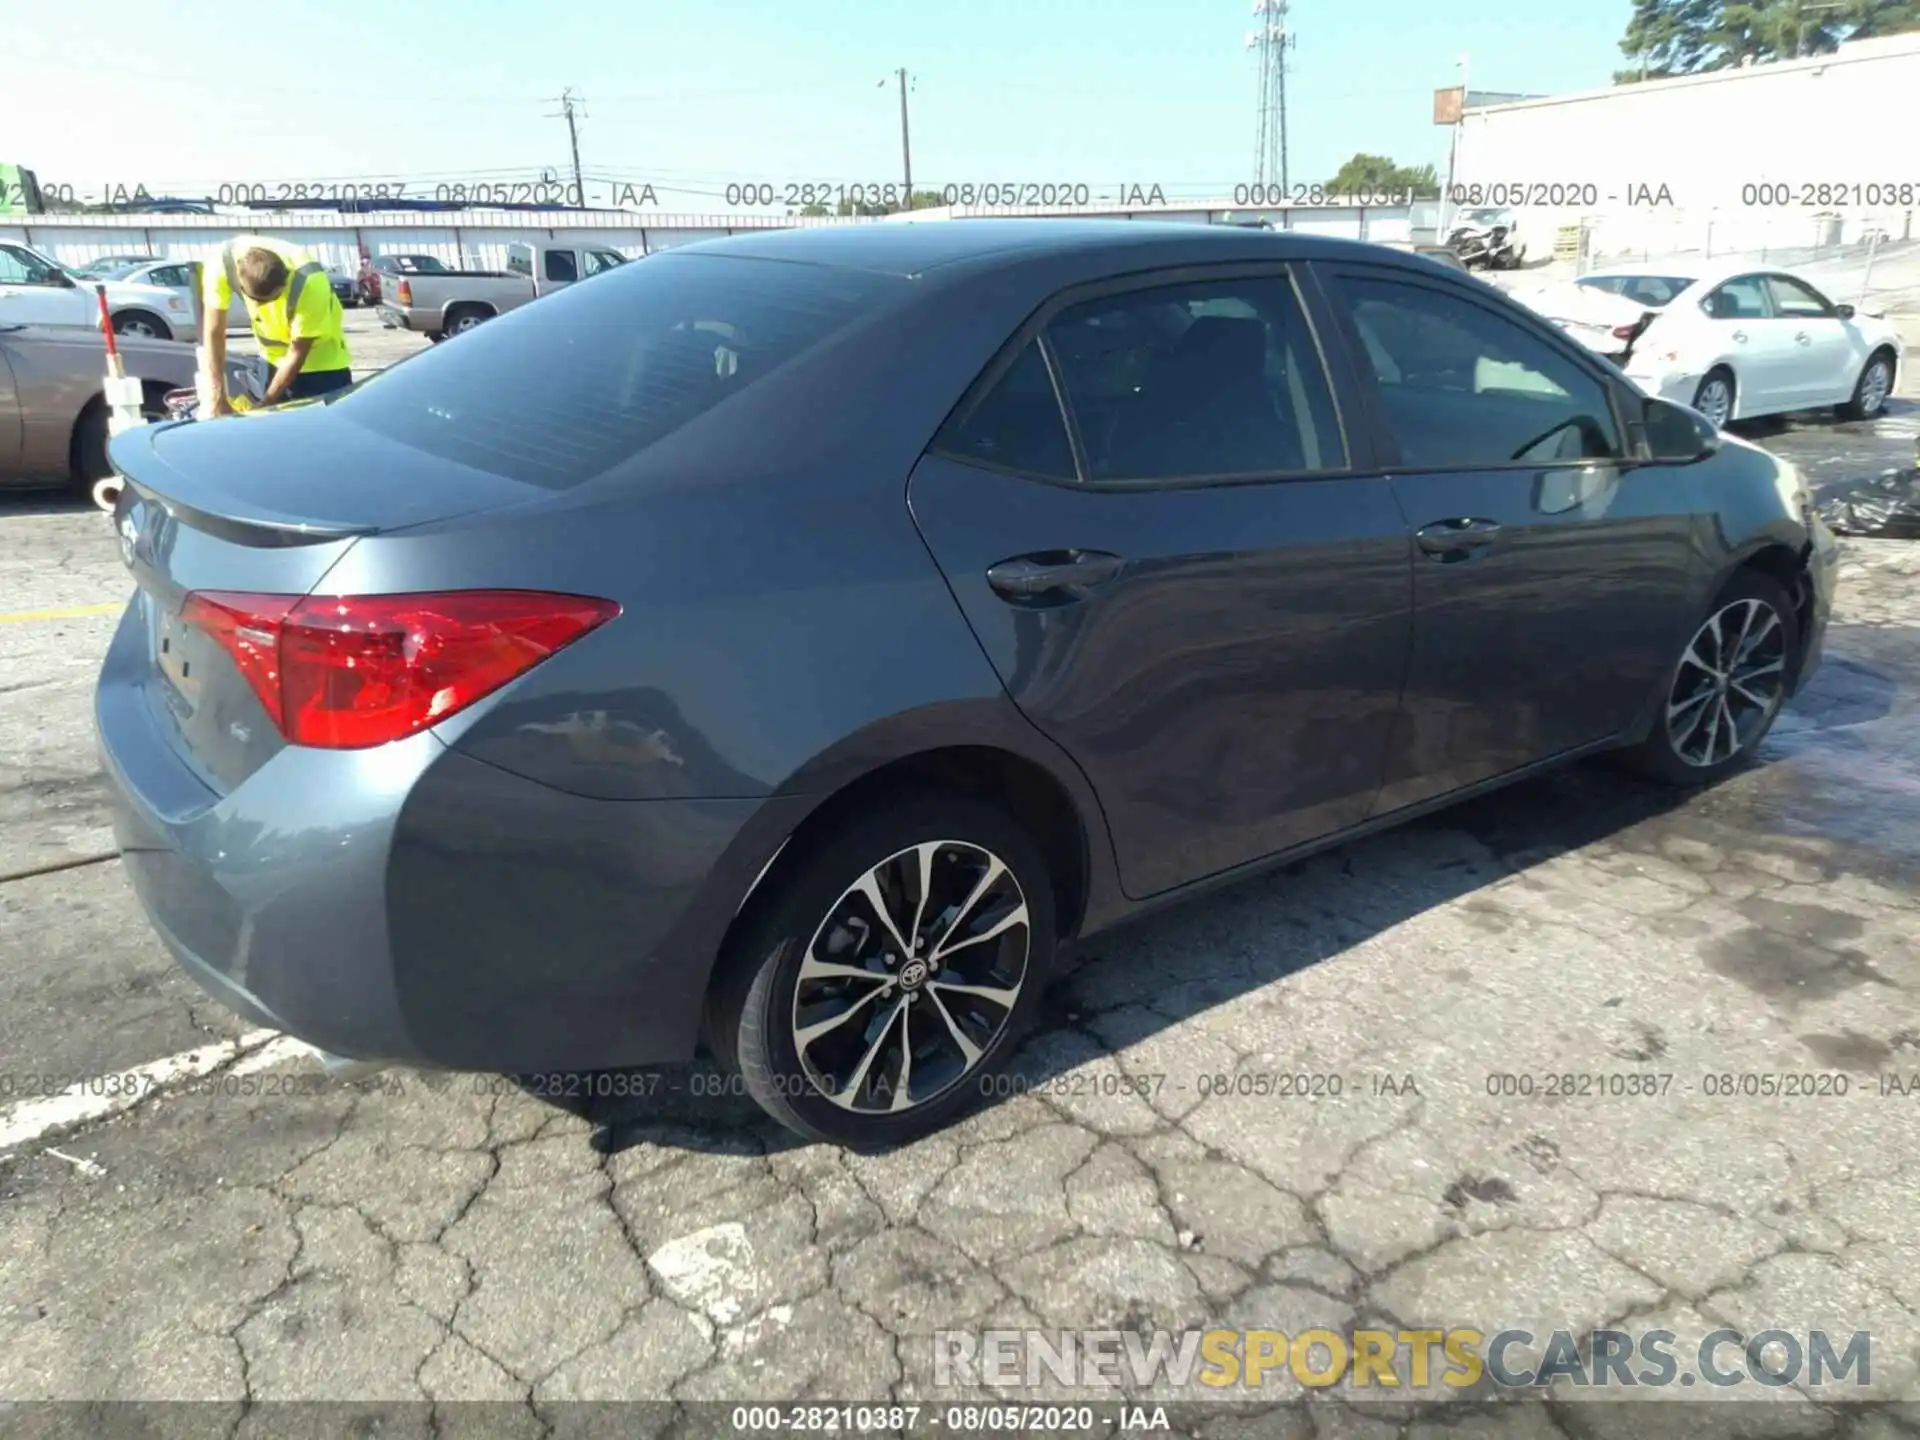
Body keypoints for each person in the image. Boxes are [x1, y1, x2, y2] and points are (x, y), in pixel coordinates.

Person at [200, 236, 353, 414]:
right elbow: (213, 331)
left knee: (328, 435)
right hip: (271, 362)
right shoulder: (221, 263)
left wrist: (267, 403)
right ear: (241, 284)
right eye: (257, 301)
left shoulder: (311, 281)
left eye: (274, 298)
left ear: (286, 279)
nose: (262, 308)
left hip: (323, 367)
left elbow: (298, 352)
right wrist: (217, 395)